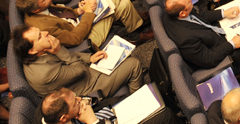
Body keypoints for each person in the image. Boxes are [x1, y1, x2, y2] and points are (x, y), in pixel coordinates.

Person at [12, 23, 145, 97]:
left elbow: (69, 57)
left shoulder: (39, 53)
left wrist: (89, 58)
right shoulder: (45, 74)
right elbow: (79, 70)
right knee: (133, 64)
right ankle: (138, 102)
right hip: (88, 88)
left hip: (81, 75)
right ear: (32, 50)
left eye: (40, 31)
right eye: (40, 36)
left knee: (120, 53)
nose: (45, 33)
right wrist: (59, 50)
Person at [33, 87, 182, 124]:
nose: (79, 100)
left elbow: (75, 99)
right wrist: (92, 122)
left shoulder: (46, 106)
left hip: (102, 115)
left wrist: (85, 101)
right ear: (63, 118)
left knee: (149, 95)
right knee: (165, 116)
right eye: (75, 103)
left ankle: (180, 120)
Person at [16, 0, 151, 49]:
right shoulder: (43, 27)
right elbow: (74, 39)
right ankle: (136, 30)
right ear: (35, 10)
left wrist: (80, 10)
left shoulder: (40, 8)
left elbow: (63, 17)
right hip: (86, 39)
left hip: (80, 22)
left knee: (121, 1)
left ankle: (135, 27)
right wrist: (88, 12)